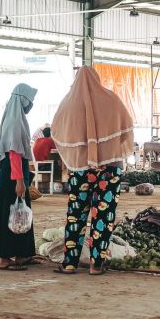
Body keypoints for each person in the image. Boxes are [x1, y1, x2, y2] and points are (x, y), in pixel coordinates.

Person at [51, 66, 134, 275]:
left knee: (76, 215)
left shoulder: (67, 104)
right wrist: (108, 147)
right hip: (110, 169)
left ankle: (69, 263)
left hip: (80, 170)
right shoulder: (112, 100)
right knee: (103, 215)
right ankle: (96, 265)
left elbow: (56, 132)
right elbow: (126, 128)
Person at [0, 84, 38, 271]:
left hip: (14, 172)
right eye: (30, 101)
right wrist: (19, 181)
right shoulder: (15, 122)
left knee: (20, 214)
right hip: (13, 174)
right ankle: (5, 258)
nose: (31, 105)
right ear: (23, 100)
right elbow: (14, 152)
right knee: (9, 215)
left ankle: (21, 255)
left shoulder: (13, 118)